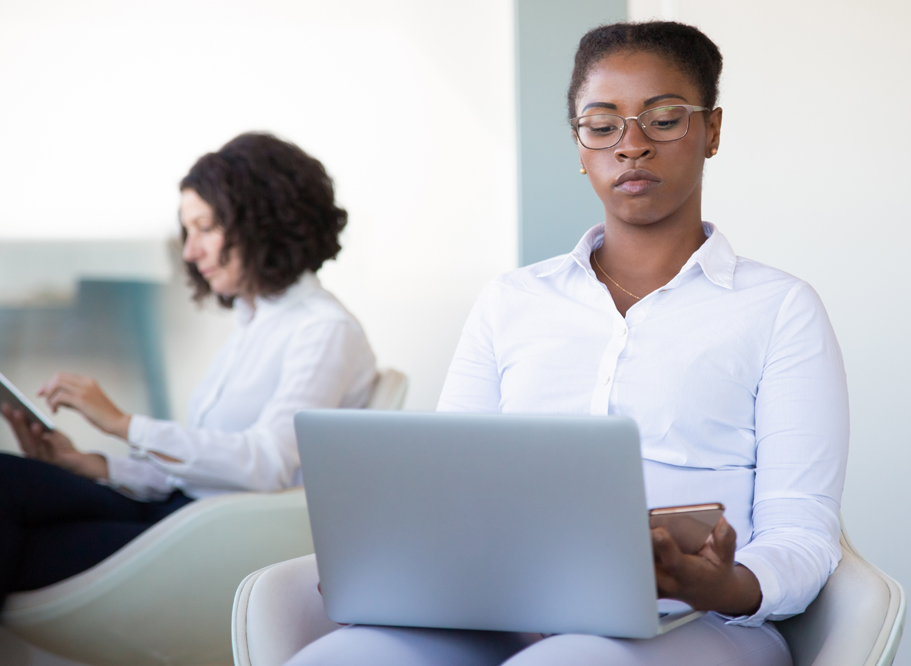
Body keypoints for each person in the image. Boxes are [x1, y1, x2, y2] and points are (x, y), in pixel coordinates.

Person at [286, 20, 847, 666]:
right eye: (602, 125)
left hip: (700, 624)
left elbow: (803, 533)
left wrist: (727, 582)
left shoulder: (779, 309)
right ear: (580, 147)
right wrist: (399, 555)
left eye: (664, 120)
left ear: (711, 131)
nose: (631, 146)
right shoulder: (511, 301)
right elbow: (447, 484)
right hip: (503, 611)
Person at [0, 132, 376, 606]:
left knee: (16, 534)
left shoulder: (323, 331)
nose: (190, 252)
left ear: (264, 222)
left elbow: (267, 464)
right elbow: (201, 469)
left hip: (213, 542)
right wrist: (89, 463)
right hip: (182, 516)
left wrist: (123, 425)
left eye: (206, 228)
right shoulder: (255, 322)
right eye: (187, 231)